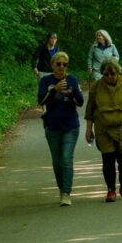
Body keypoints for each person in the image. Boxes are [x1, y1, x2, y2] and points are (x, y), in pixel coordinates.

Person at [85, 60, 122, 203]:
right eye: (106, 74)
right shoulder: (96, 87)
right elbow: (90, 110)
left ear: (118, 72)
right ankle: (110, 189)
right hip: (103, 129)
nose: (110, 77)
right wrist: (89, 129)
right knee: (108, 160)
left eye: (113, 74)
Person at [38, 51, 84, 206]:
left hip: (70, 126)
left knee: (66, 159)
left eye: (65, 64)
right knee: (57, 162)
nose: (61, 67)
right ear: (52, 65)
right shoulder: (46, 81)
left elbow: (80, 102)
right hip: (52, 126)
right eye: (58, 64)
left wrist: (71, 94)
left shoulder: (72, 79)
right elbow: (41, 101)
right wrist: (54, 90)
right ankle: (61, 188)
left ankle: (66, 193)